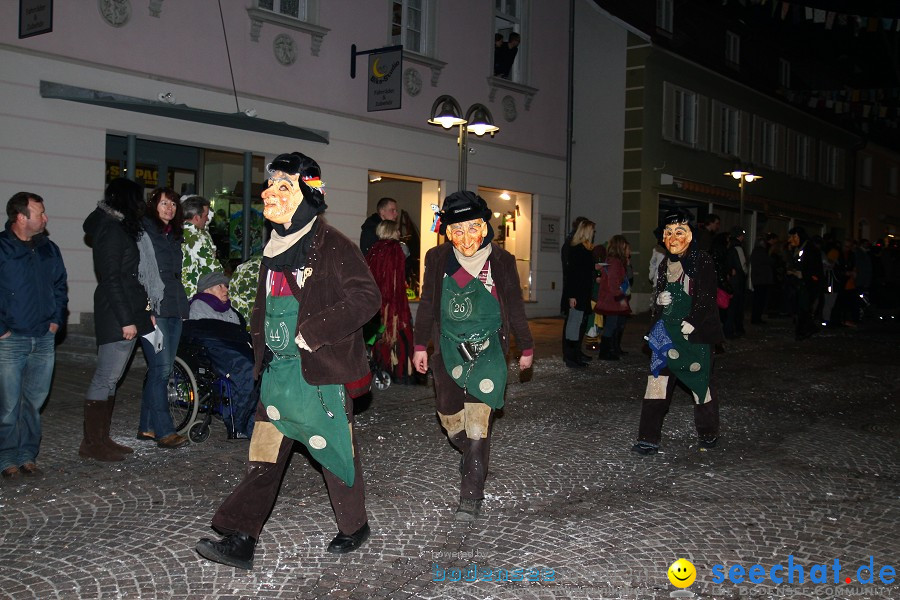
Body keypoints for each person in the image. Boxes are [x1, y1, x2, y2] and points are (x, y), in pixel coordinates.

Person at [196, 151, 379, 570]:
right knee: (263, 457)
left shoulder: (333, 245)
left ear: (306, 195)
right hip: (279, 373)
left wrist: (315, 332)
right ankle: (241, 538)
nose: (270, 193)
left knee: (335, 456)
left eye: (283, 186)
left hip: (321, 375)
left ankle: (355, 526)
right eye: (270, 184)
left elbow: (368, 298)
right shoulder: (274, 247)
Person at [412, 191, 534, 521]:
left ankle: (471, 494)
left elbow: (516, 308)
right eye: (457, 230)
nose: (466, 238)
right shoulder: (436, 259)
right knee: (452, 423)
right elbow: (426, 305)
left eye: (472, 228)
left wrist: (526, 347)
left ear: (484, 228)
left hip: (488, 352)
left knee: (479, 427)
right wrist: (420, 345)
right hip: (448, 350)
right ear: (448, 232)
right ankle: (470, 455)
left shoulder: (503, 262)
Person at [632, 208, 723, 455]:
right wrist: (659, 301)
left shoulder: (702, 261)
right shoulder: (664, 263)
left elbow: (707, 296)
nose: (673, 237)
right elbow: (659, 295)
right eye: (668, 232)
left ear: (690, 235)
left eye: (679, 231)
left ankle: (708, 432)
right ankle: (648, 437)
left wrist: (694, 320)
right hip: (666, 335)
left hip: (694, 337)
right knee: (656, 385)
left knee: (701, 386)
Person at [80, 179, 155, 462]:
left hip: (125, 310)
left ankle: (100, 439)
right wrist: (126, 320)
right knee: (106, 377)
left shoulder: (117, 226)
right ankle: (92, 443)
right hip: (116, 314)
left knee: (111, 380)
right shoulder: (111, 230)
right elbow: (111, 279)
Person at [0, 192, 67, 479]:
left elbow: (60, 287)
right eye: (39, 213)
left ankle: (28, 455)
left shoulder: (48, 249)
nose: (45, 218)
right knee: (8, 405)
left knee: (34, 403)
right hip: (11, 339)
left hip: (42, 338)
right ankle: (6, 459)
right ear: (21, 217)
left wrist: (55, 322)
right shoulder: (2, 249)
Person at [137, 188, 190, 449]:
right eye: (164, 203)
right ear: (153, 206)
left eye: (173, 204)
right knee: (160, 371)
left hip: (174, 308)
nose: (169, 208)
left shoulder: (173, 236)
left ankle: (146, 426)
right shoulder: (144, 233)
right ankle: (164, 431)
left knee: (162, 369)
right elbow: (139, 274)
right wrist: (147, 310)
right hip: (154, 310)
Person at [185, 271, 255, 439]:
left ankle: (253, 423)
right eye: (220, 286)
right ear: (207, 290)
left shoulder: (229, 310)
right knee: (247, 370)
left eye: (226, 286)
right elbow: (209, 336)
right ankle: (240, 424)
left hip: (232, 348)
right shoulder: (199, 306)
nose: (225, 289)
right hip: (214, 351)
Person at [365, 220, 414, 383]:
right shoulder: (399, 248)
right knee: (398, 335)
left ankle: (377, 366)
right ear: (393, 231)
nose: (399, 233)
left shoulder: (373, 249)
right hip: (395, 303)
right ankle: (399, 372)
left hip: (376, 303)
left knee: (379, 335)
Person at [561, 219, 596, 368]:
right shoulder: (577, 250)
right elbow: (572, 275)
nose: (594, 233)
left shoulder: (585, 249)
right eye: (592, 230)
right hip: (577, 294)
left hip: (583, 292)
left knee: (579, 325)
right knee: (573, 326)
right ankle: (571, 357)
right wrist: (572, 296)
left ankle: (575, 355)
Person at [595, 234, 633, 360]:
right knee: (611, 326)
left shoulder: (611, 261)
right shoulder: (615, 262)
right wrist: (620, 298)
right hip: (611, 300)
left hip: (609, 298)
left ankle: (608, 351)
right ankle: (605, 352)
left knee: (611, 325)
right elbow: (613, 284)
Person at [181, 194, 224, 300]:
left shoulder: (174, 232)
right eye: (205, 216)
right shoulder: (198, 237)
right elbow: (212, 268)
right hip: (194, 294)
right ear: (196, 217)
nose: (207, 219)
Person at [787, 226, 822, 340]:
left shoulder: (810, 249)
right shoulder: (799, 248)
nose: (791, 239)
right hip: (799, 283)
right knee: (801, 308)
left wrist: (803, 275)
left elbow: (815, 269)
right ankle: (808, 328)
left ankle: (802, 331)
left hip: (807, 285)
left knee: (804, 309)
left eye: (794, 236)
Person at [724, 226, 748, 339]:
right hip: (738, 281)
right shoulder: (738, 247)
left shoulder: (729, 246)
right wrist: (745, 274)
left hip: (732, 280)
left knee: (731, 305)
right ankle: (733, 329)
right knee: (736, 306)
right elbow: (743, 265)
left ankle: (730, 329)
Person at [749, 233, 778, 325]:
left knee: (758, 300)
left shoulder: (756, 252)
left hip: (759, 279)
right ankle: (756, 318)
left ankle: (756, 318)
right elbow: (770, 261)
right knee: (759, 300)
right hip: (761, 280)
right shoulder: (760, 252)